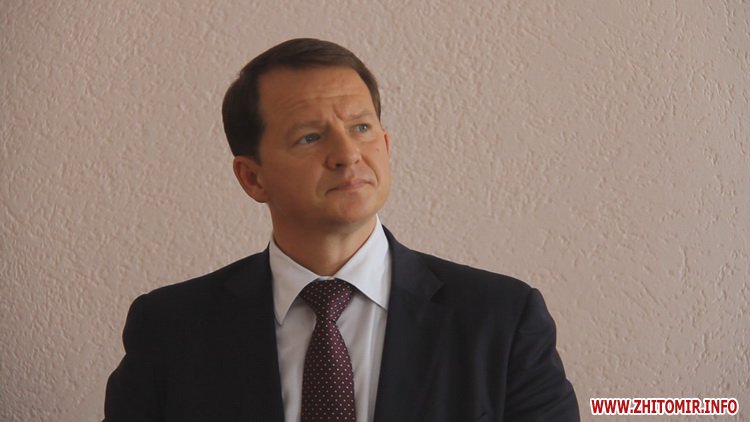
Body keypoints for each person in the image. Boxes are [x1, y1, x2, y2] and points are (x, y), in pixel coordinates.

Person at [104, 38, 579, 421]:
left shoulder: (500, 319)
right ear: (252, 178)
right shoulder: (170, 329)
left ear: (386, 145)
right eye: (310, 137)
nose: (348, 154)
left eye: (361, 128)